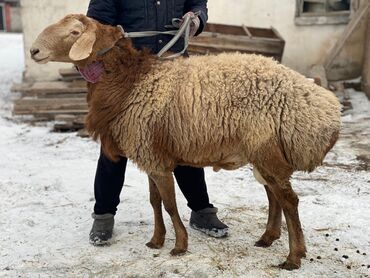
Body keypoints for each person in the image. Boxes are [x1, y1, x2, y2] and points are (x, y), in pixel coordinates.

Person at [86, 0, 228, 246]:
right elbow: (96, 24)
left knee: (183, 139)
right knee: (114, 147)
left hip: (174, 69)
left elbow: (197, 4)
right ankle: (103, 215)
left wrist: (196, 18)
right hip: (127, 76)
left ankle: (201, 210)